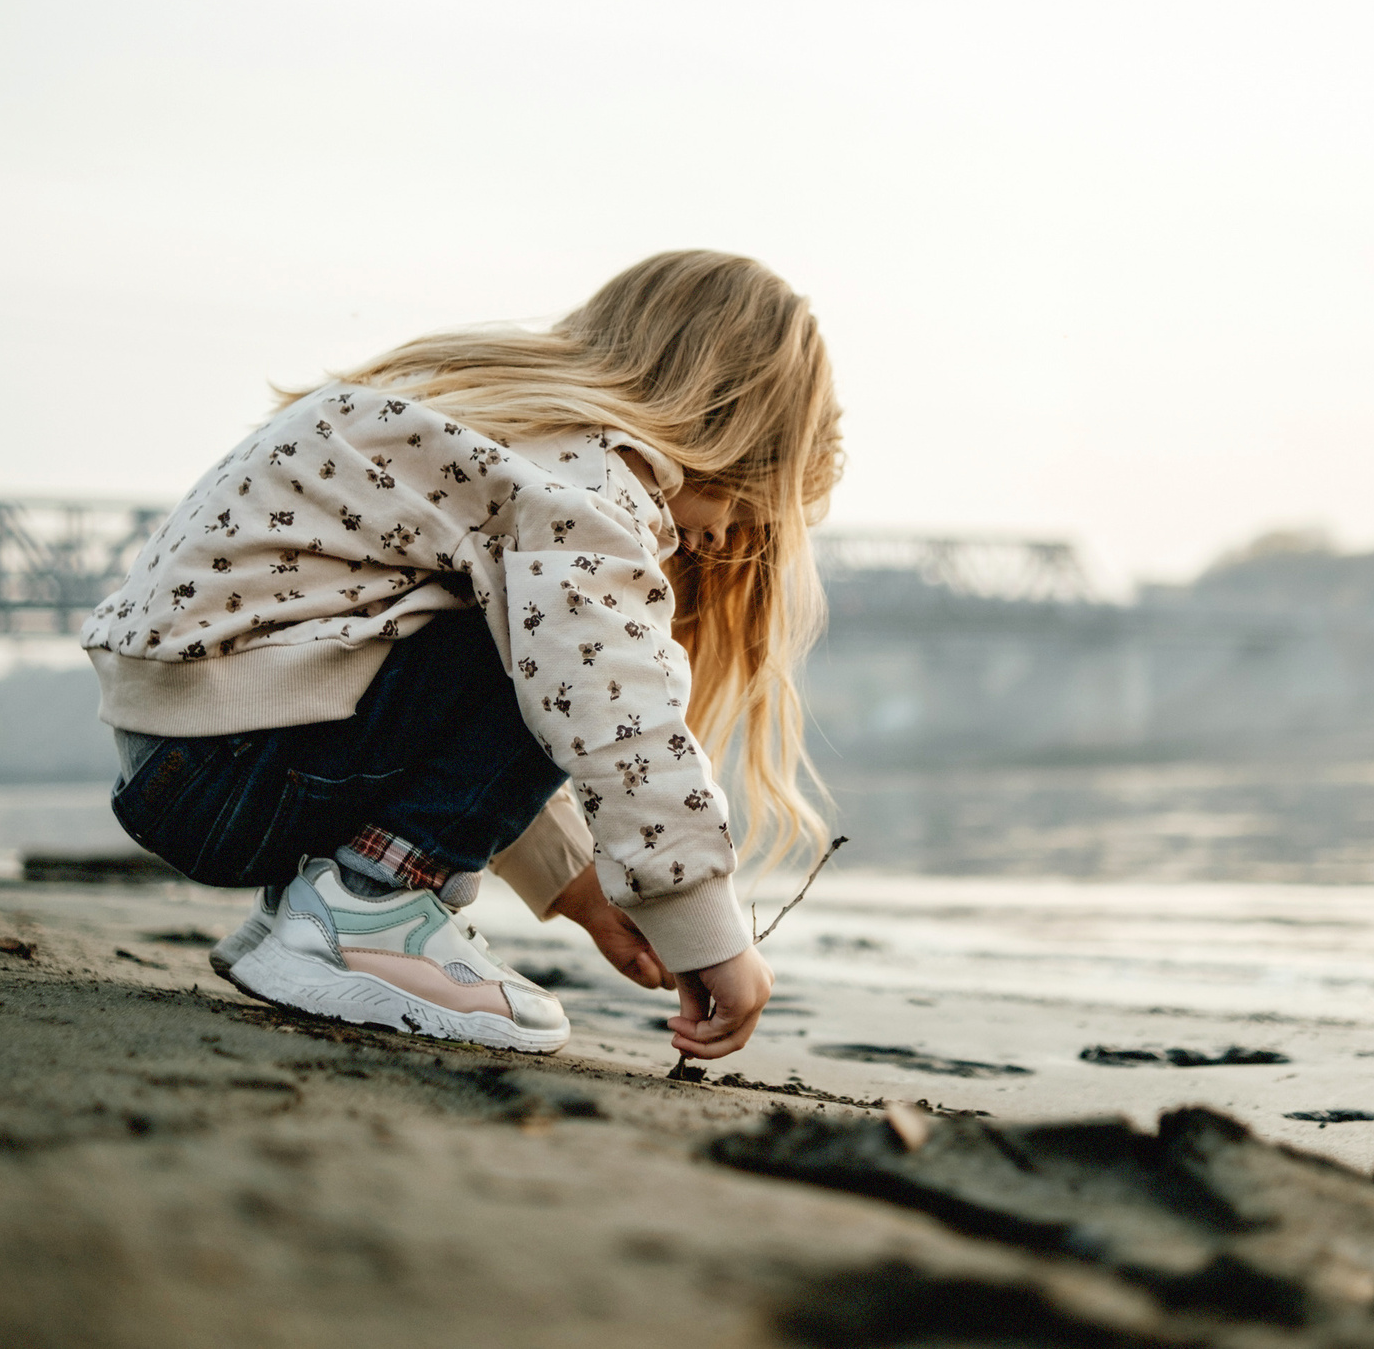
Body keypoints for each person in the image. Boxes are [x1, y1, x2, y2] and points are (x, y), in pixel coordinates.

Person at [82, 251, 840, 1061]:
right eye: (744, 500)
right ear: (719, 422)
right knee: (586, 646)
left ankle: (309, 916)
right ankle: (369, 909)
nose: (722, 537)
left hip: (182, 762)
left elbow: (477, 700)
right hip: (243, 764)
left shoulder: (489, 426)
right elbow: (606, 702)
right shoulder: (589, 479)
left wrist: (582, 892)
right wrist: (710, 930)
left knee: (549, 626)